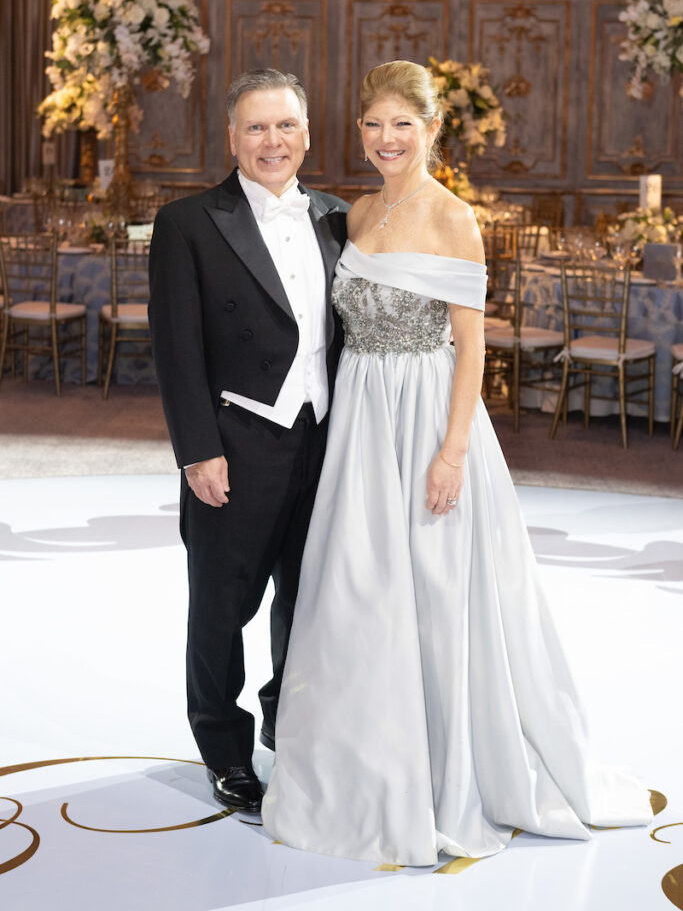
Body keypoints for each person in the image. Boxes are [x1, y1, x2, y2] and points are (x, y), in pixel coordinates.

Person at [262, 60, 653, 865]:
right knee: (358, 590)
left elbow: (470, 346)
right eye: (371, 124)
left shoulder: (456, 219)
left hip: (429, 418)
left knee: (436, 592)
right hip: (361, 421)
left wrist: (452, 453)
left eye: (400, 124)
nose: (384, 139)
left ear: (431, 129)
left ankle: (443, 768)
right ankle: (362, 765)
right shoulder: (356, 211)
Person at [148, 68, 349, 813]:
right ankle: (224, 750)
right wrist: (197, 450)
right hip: (235, 443)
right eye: (257, 128)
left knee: (306, 603)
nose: (273, 141)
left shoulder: (336, 216)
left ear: (307, 133)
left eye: (286, 126)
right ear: (231, 138)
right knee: (220, 606)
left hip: (324, 442)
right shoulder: (189, 223)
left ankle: (287, 731)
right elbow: (176, 348)